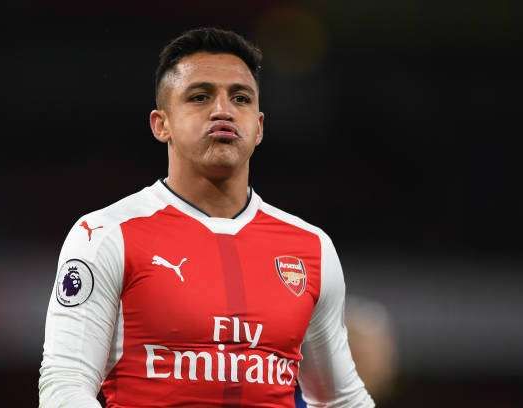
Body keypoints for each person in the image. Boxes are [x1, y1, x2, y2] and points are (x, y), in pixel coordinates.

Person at [39, 27, 374, 407]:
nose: (223, 111)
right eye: (200, 97)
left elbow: (341, 399)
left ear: (259, 127)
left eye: (241, 98)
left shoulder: (312, 248)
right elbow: (64, 384)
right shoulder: (105, 234)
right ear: (160, 123)